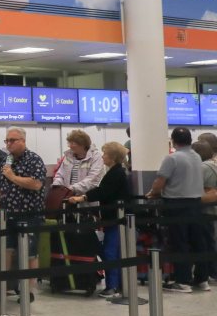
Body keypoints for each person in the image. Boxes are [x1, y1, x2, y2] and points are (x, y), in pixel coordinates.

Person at [145, 127, 210, 292]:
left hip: (176, 205)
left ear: (173, 141)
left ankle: (182, 281)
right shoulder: (197, 157)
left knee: (179, 242)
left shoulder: (172, 158)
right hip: (196, 203)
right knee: (198, 241)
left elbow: (159, 182)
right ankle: (202, 279)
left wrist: (152, 194)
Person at [67, 142, 131, 297]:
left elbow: (103, 191)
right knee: (112, 252)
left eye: (105, 154)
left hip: (115, 219)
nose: (102, 156)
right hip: (114, 217)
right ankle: (116, 285)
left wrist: (83, 197)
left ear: (113, 157)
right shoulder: (117, 172)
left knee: (109, 252)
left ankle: (112, 286)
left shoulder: (115, 173)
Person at [0, 127, 47, 303]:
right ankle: (4, 289)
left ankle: (28, 291)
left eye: (12, 140)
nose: (8, 144)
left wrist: (12, 176)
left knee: (29, 254)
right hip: (7, 215)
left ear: (23, 141)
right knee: (5, 251)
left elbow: (36, 184)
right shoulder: (6, 161)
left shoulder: (34, 160)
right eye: (6, 141)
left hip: (29, 215)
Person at [51, 129, 105, 200]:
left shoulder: (95, 157)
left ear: (82, 144)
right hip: (68, 198)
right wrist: (57, 186)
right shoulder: (68, 156)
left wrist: (70, 189)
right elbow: (60, 174)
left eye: (73, 143)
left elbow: (92, 180)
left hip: (86, 200)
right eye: (69, 143)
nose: (70, 146)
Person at [191, 140, 217, 282]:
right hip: (213, 208)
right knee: (211, 242)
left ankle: (206, 274)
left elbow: (194, 188)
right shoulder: (213, 166)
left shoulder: (201, 168)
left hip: (203, 209)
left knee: (203, 243)